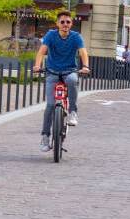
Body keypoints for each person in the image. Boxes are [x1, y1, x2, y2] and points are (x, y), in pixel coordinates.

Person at [32, 11, 90, 152]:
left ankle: (72, 112)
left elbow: (83, 52)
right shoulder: (51, 35)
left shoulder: (76, 37)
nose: (65, 24)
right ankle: (45, 136)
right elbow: (41, 51)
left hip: (69, 71)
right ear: (57, 23)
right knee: (50, 105)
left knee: (72, 80)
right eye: (62, 22)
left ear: (71, 24)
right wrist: (37, 65)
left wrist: (85, 66)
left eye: (68, 22)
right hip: (52, 72)